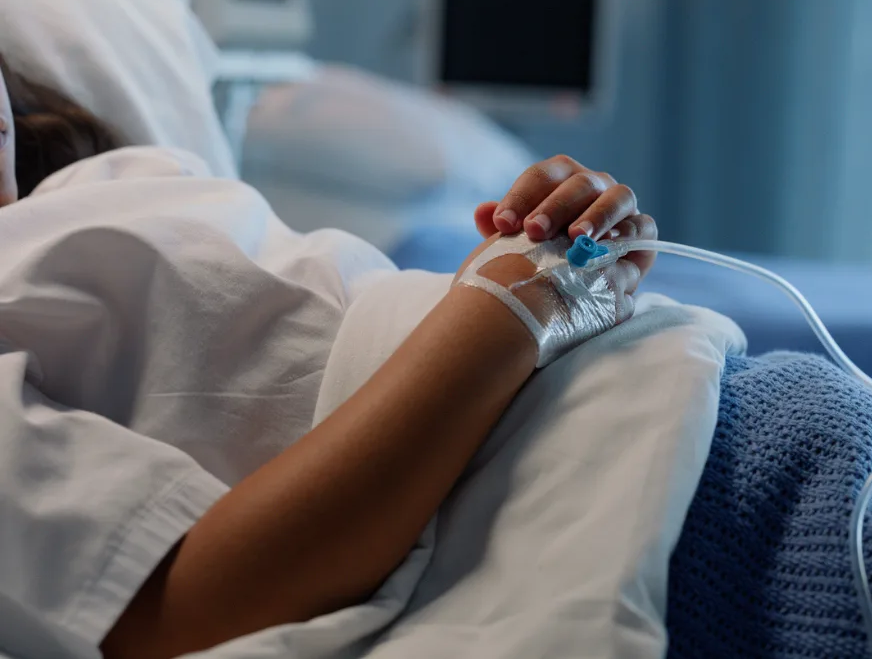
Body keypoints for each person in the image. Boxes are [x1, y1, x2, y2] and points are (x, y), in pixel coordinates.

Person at [0, 56, 659, 659]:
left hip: (621, 395)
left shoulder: (106, 180)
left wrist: (536, 248)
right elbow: (189, 604)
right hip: (580, 493)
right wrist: (512, 310)